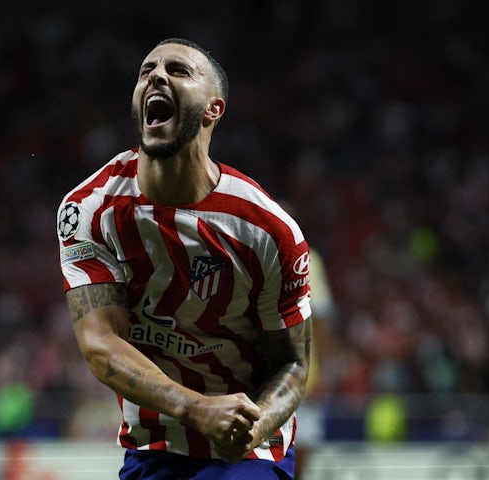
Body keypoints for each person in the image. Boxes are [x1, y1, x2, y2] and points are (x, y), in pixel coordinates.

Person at [56, 38, 312, 480]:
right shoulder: (89, 210)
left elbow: (293, 363)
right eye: (146, 71)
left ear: (213, 109)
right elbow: (100, 346)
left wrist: (253, 428)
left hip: (246, 455)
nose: (155, 76)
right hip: (154, 446)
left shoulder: (267, 230)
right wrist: (197, 410)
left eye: (178, 70)